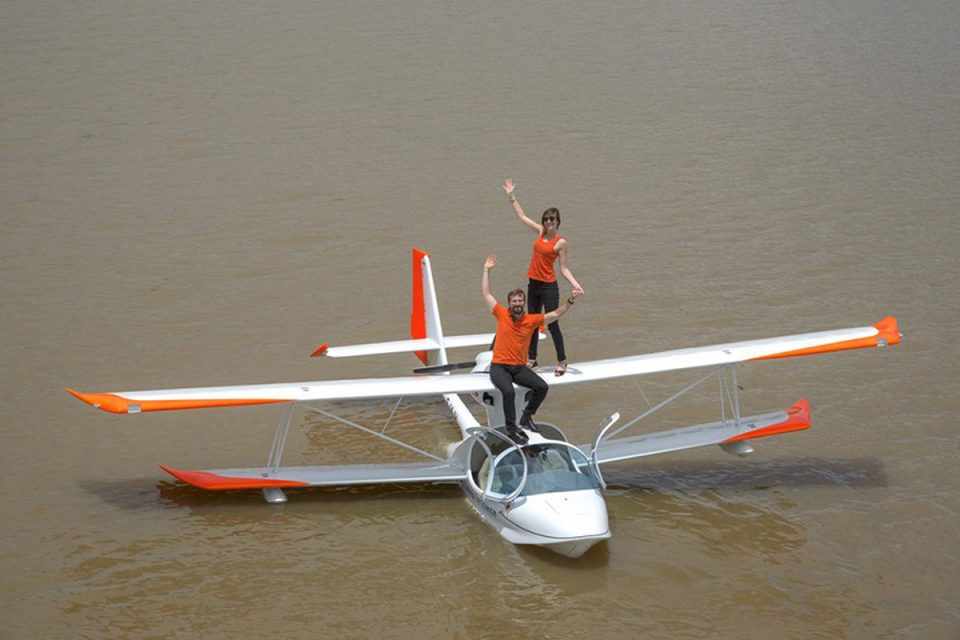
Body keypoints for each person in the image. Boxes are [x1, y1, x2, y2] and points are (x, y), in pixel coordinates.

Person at [481, 254, 582, 444]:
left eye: (520, 301)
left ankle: (526, 418)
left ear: (524, 303)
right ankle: (511, 429)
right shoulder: (501, 314)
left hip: (519, 368)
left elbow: (555, 314)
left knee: (542, 387)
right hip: (500, 367)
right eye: (514, 301)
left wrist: (570, 301)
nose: (517, 304)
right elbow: (486, 294)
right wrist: (486, 269)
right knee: (508, 392)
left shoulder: (531, 320)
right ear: (509, 303)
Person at [502, 179, 584, 376]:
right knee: (531, 321)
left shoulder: (561, 242)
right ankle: (532, 359)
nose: (548, 223)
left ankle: (562, 361)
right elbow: (522, 217)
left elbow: (563, 268)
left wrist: (576, 285)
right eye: (546, 219)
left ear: (558, 222)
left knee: (552, 323)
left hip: (549, 286)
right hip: (534, 284)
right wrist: (512, 196)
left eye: (552, 220)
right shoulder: (540, 232)